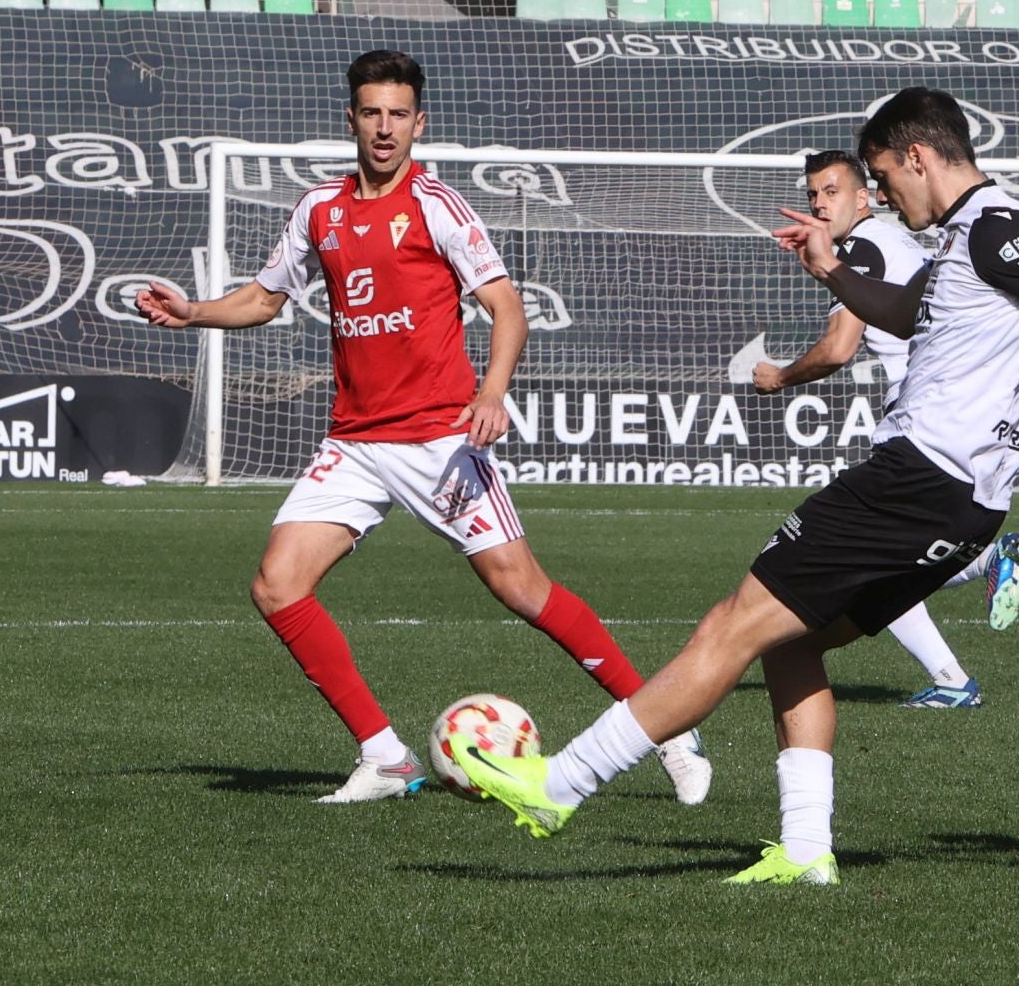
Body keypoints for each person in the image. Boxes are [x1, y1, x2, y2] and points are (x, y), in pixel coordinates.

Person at [456, 86, 1019, 885]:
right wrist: (829, 267)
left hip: (917, 478)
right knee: (792, 646)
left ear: (918, 157)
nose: (884, 193)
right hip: (961, 501)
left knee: (730, 627)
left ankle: (559, 785)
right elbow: (903, 313)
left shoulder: (1002, 229)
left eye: (885, 176)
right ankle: (805, 850)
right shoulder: (966, 238)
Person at [135, 50, 711, 805]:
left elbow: (508, 306)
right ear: (352, 119)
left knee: (522, 588)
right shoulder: (319, 209)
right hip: (354, 442)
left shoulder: (438, 205)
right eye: (372, 112)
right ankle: (387, 758)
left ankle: (666, 731)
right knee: (278, 586)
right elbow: (266, 298)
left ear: (419, 123)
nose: (384, 128)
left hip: (441, 439)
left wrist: (493, 392)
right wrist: (194, 312)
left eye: (398, 114)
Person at [752, 148, 1019, 709]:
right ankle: (968, 618)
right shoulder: (892, 241)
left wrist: (779, 378)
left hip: (922, 420)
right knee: (885, 561)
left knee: (837, 566)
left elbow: (838, 348)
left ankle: (955, 669)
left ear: (865, 196)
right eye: (812, 195)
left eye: (831, 192)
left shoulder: (863, 248)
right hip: (946, 416)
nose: (819, 205)